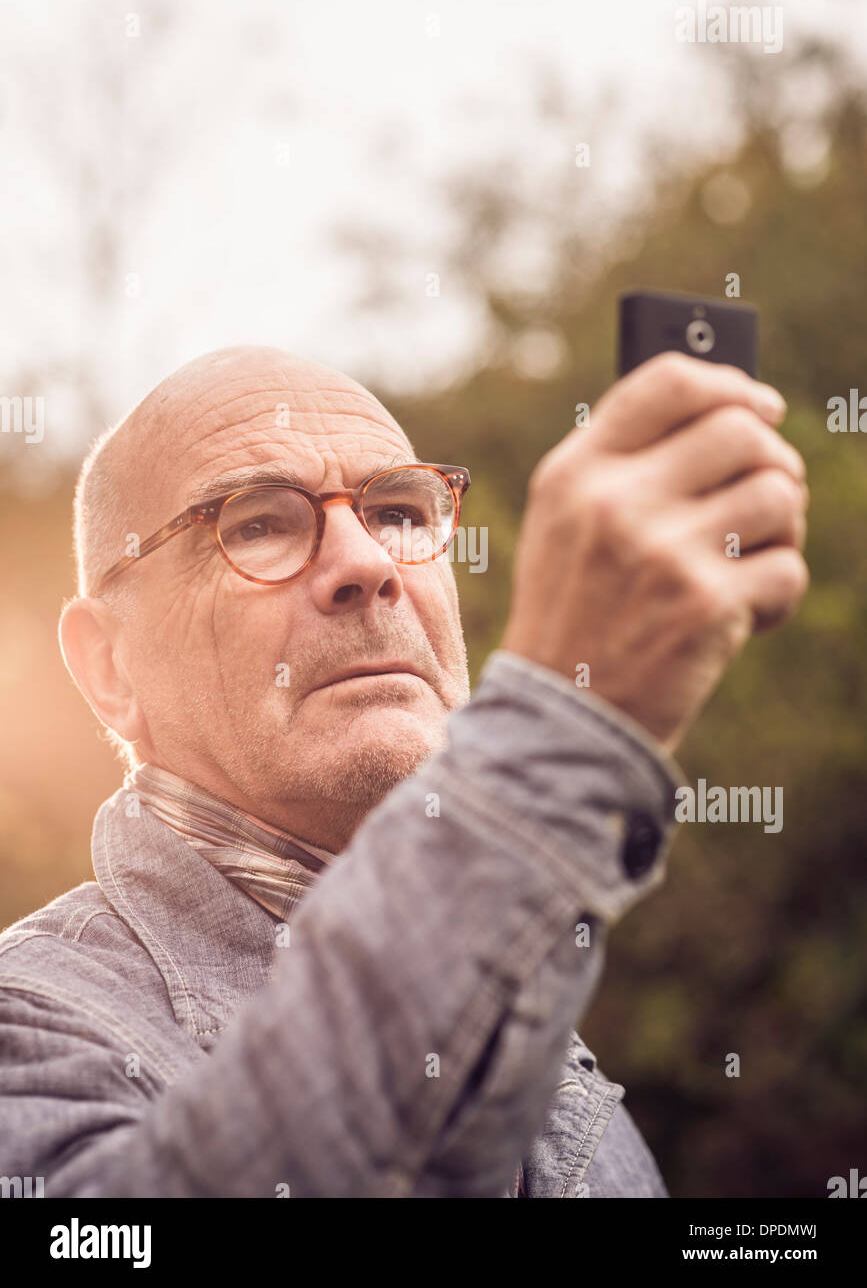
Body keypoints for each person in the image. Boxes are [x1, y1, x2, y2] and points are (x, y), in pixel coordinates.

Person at [0, 344, 808, 1197]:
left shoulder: (549, 1047)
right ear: (109, 669)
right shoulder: (37, 1026)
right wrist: (560, 743)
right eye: (258, 522)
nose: (368, 563)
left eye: (396, 511)